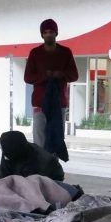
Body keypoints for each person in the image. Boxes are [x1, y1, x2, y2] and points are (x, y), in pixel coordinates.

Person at [24, 19, 78, 151]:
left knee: (56, 138)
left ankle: (53, 167)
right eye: (45, 32)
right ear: (42, 34)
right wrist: (44, 76)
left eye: (51, 32)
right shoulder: (35, 53)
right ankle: (40, 167)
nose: (48, 35)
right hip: (39, 104)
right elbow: (28, 77)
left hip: (58, 104)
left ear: (56, 33)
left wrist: (60, 74)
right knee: (39, 139)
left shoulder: (65, 52)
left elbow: (74, 75)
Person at [0, 130, 64, 182]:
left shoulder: (41, 161)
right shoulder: (8, 148)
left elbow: (31, 190)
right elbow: (4, 178)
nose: (5, 156)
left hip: (52, 178)